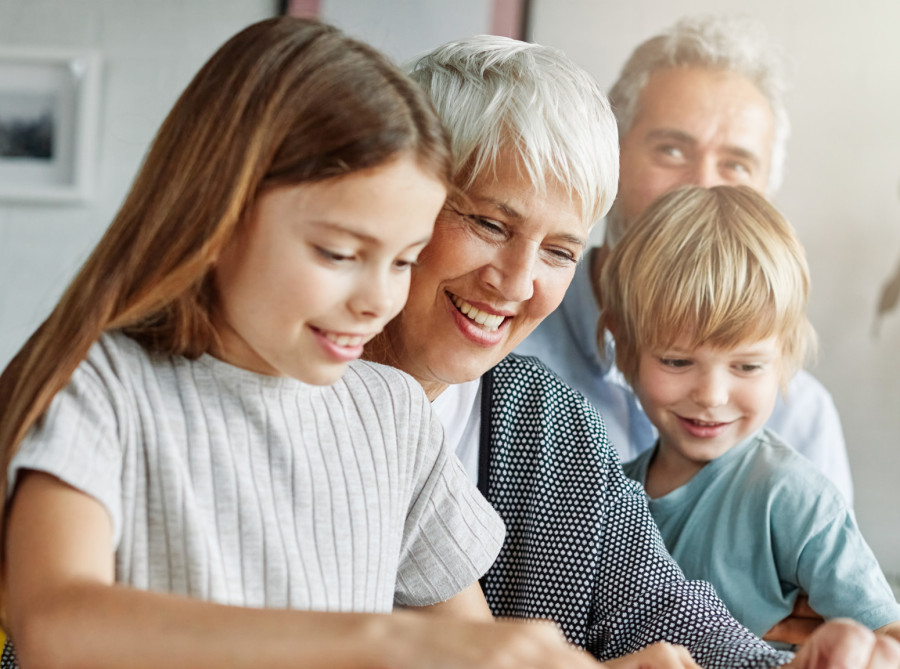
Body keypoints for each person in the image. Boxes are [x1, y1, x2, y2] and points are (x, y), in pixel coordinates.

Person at [0, 17, 614, 669]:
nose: (378, 298)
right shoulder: (101, 387)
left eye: (404, 260)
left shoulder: (394, 415)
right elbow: (58, 624)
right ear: (219, 218)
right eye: (340, 252)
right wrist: (384, 640)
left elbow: (476, 649)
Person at [365, 34, 900, 669]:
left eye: (559, 250)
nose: (515, 282)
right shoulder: (311, 393)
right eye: (490, 224)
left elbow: (674, 617)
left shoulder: (547, 419)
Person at [514, 14, 853, 506]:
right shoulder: (503, 345)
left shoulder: (800, 416)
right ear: (613, 157)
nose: (702, 186)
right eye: (671, 150)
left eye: (735, 164)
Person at [600, 184, 900, 642]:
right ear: (624, 347)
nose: (712, 395)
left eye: (748, 366)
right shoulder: (610, 492)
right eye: (677, 361)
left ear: (785, 359)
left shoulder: (793, 496)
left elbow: (885, 637)